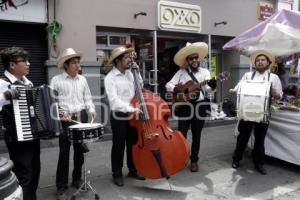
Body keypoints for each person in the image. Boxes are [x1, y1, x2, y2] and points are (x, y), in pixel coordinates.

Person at [50, 48, 96, 200]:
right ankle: (61, 187)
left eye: (78, 62)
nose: (78, 65)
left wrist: (91, 109)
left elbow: (88, 97)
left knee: (80, 151)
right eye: (74, 63)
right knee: (64, 153)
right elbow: (51, 102)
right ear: (66, 65)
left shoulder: (82, 79)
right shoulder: (56, 81)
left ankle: (76, 179)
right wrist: (60, 112)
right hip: (65, 120)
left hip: (80, 117)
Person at [165, 42, 216, 172]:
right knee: (181, 135)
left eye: (195, 57)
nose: (194, 60)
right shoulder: (181, 72)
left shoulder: (205, 73)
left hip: (200, 106)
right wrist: (178, 90)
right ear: (187, 60)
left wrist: (213, 86)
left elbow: (208, 90)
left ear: (198, 59)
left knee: (196, 135)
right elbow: (168, 85)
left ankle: (194, 160)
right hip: (185, 107)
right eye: (191, 58)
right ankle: (180, 159)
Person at [230, 50, 283, 175]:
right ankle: (236, 159)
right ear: (255, 63)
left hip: (263, 113)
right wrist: (234, 90)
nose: (260, 62)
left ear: (268, 63)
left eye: (263, 60)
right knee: (242, 138)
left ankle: (258, 163)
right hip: (247, 112)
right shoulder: (248, 75)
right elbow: (239, 87)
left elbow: (279, 96)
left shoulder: (274, 78)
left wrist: (276, 93)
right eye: (258, 60)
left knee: (260, 140)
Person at [0, 47, 40, 200]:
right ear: (12, 65)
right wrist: (5, 96)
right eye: (24, 61)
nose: (28, 64)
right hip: (17, 139)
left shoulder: (27, 82)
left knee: (35, 170)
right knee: (24, 174)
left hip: (32, 136)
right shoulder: (2, 84)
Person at [104, 46, 145, 187]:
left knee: (132, 144)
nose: (129, 60)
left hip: (133, 113)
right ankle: (117, 174)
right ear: (118, 60)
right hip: (119, 115)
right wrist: (131, 109)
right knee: (118, 145)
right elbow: (114, 102)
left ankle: (133, 170)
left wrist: (137, 72)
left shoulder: (130, 73)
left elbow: (140, 87)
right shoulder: (110, 78)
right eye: (126, 57)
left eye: (129, 57)